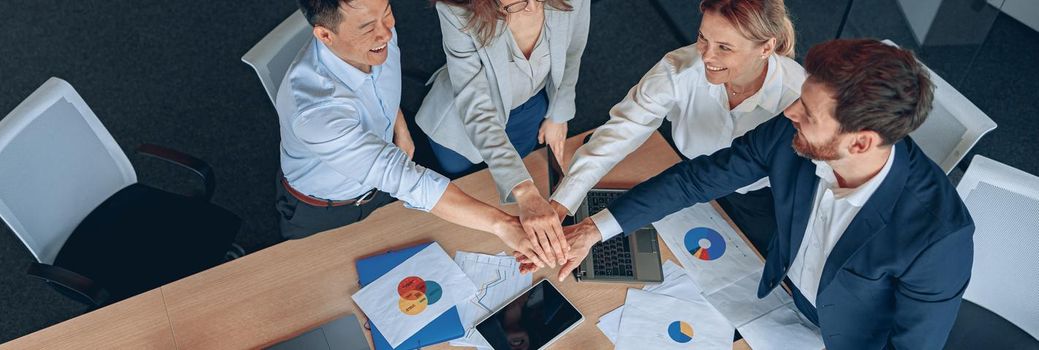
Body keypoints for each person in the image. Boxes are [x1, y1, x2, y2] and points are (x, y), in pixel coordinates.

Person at [535, 39, 973, 349]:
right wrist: (595, 229)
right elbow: (697, 179)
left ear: (859, 143)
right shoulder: (791, 132)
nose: (789, 112)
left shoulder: (939, 237)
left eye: (808, 113)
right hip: (775, 290)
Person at [276, 0, 560, 268]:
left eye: (387, 12)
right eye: (368, 27)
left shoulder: (374, 39)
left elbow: (375, 88)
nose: (386, 32)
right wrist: (505, 225)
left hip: (387, 183)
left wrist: (399, 125)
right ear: (325, 35)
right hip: (326, 210)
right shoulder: (314, 113)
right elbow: (408, 181)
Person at [549, 0, 802, 255]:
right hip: (685, 178)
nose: (706, 56)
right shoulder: (679, 68)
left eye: (724, 47)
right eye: (703, 37)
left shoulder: (797, 102)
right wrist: (562, 203)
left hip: (756, 199)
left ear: (766, 47)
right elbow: (621, 131)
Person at [415, 0, 592, 264]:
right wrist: (525, 192)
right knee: (462, 183)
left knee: (514, 167)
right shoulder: (456, 10)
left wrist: (558, 114)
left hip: (531, 105)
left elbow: (572, 51)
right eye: (516, 4)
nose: (533, 7)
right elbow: (477, 109)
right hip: (463, 123)